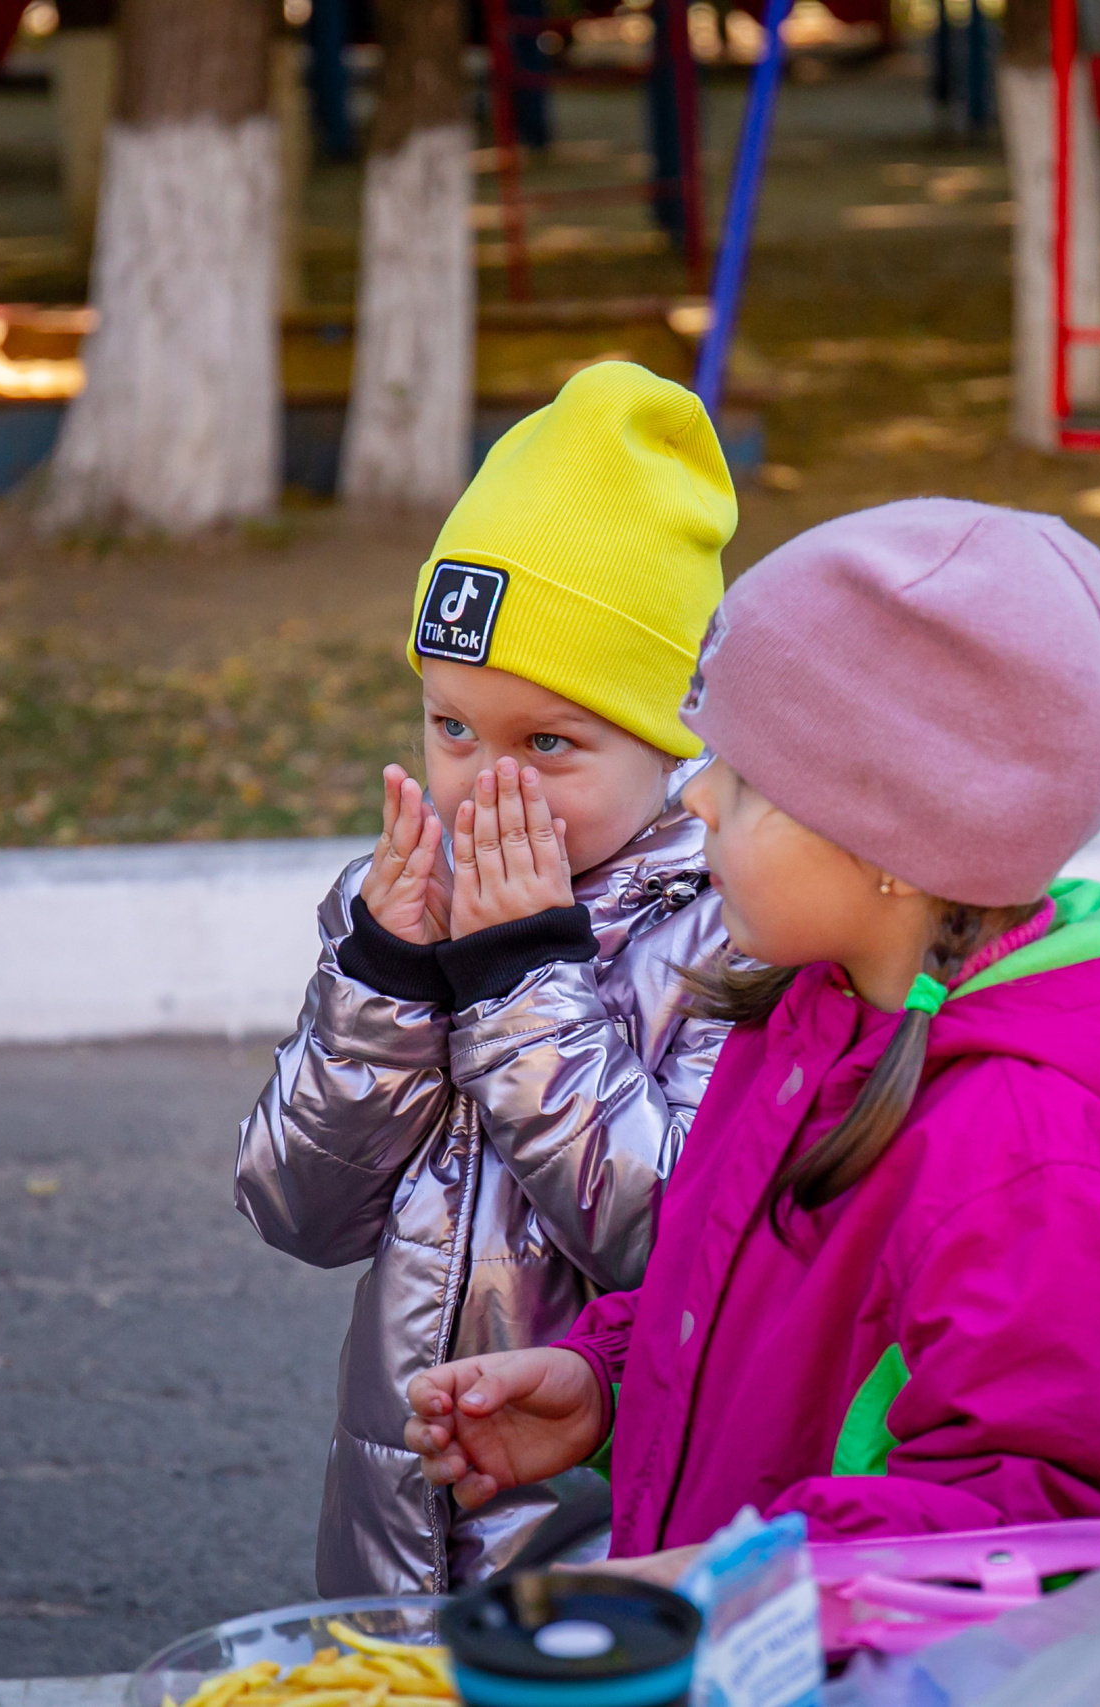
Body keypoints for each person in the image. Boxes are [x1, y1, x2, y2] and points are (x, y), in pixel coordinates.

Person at [401, 498, 1100, 1575]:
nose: (699, 797)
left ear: (893, 840)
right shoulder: (810, 1008)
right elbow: (765, 1306)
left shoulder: (1026, 1154)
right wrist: (607, 1379)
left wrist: (719, 1577)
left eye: (748, 777)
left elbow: (1043, 1518)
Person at [237, 362, 738, 1595]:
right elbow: (297, 1212)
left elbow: (670, 1245)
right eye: (450, 726)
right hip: (392, 1516)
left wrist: (519, 980)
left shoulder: (734, 929)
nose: (481, 785)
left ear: (677, 731)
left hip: (608, 1537)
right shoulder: (403, 901)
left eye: (548, 744)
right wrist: (388, 980)